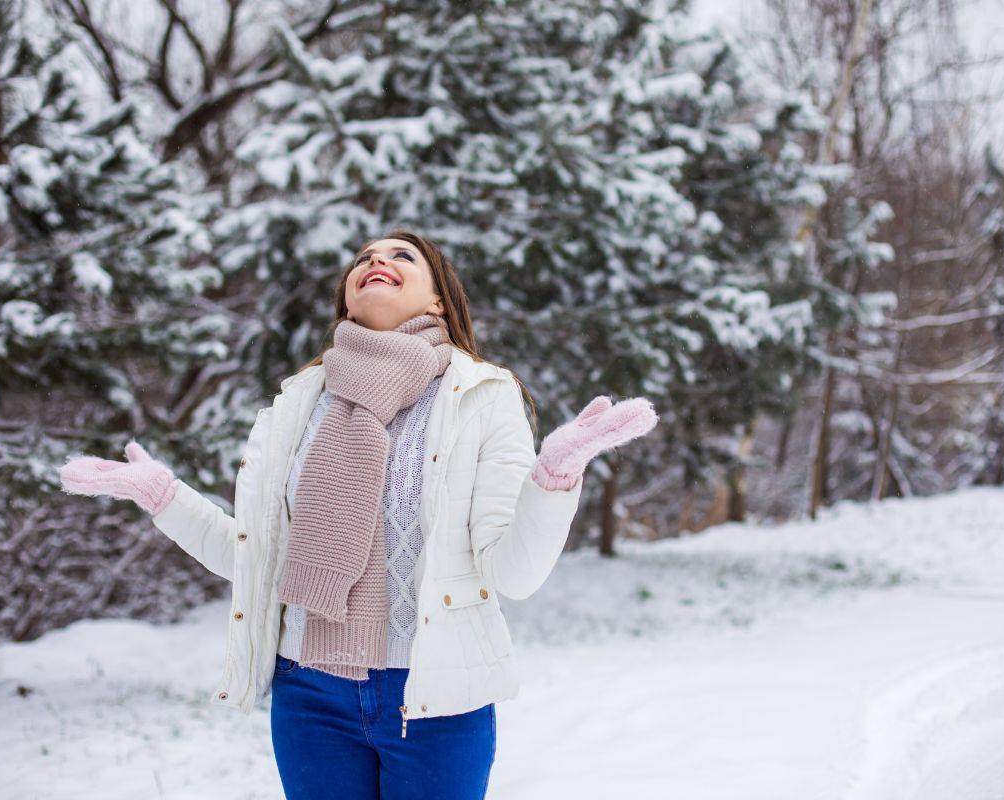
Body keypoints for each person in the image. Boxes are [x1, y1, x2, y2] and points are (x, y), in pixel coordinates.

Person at [59, 229, 657, 800]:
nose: (376, 261)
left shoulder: (483, 395)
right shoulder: (302, 401)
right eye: (363, 257)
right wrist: (164, 496)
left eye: (403, 256)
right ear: (347, 298)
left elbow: (513, 574)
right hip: (309, 692)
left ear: (440, 300)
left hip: (433, 697)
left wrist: (554, 478)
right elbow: (259, 558)